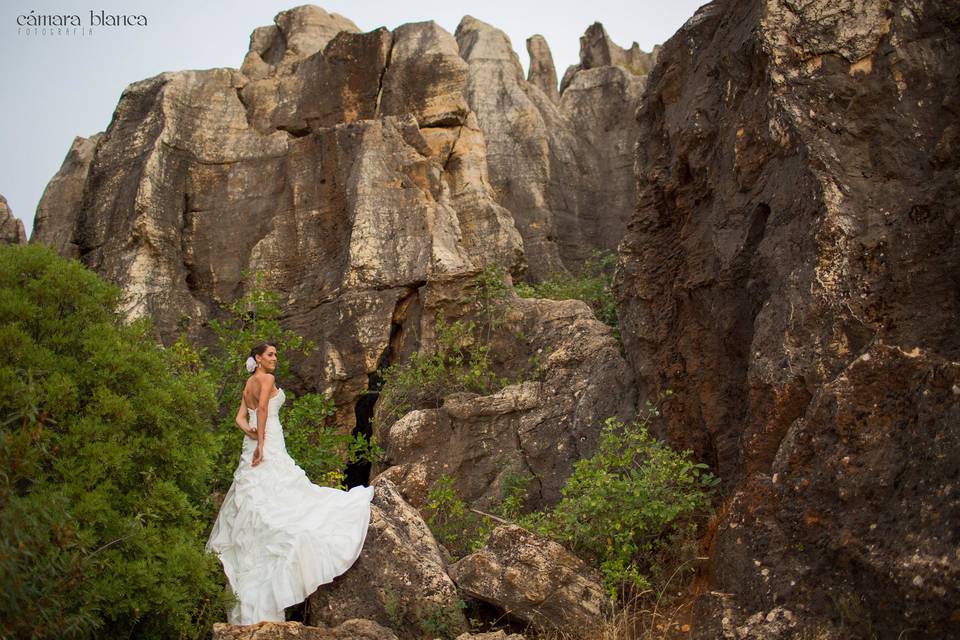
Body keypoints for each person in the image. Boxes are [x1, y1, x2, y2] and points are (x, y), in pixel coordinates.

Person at [205, 342, 375, 625]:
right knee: (278, 484)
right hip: (267, 442)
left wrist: (249, 434)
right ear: (258, 359)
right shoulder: (266, 379)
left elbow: (239, 417)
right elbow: (261, 409)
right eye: (270, 355)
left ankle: (259, 546)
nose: (274, 359)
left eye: (275, 355)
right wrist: (260, 444)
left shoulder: (249, 382)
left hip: (254, 443)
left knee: (257, 493)